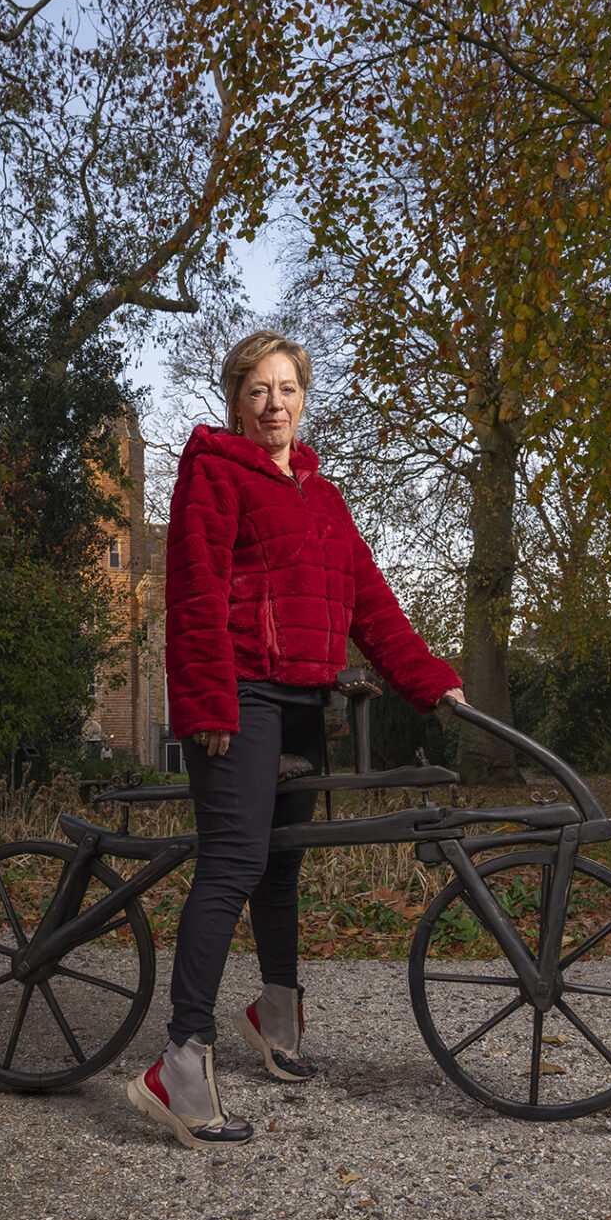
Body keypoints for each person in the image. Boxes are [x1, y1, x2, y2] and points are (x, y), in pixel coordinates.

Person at [125, 331, 463, 1150]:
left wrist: (428, 678)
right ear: (235, 402)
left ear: (303, 398)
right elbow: (195, 591)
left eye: (287, 389)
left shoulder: (324, 496)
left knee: (282, 867)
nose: (274, 404)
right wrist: (205, 705)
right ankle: (178, 1060)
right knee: (233, 863)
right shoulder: (214, 472)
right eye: (257, 391)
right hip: (240, 694)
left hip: (307, 698)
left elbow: (369, 603)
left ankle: (277, 1018)